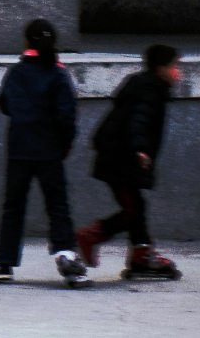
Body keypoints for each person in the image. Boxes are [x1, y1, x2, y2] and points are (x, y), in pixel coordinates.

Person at [0, 18, 89, 288]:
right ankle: (65, 253)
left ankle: (4, 264)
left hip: (19, 148)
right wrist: (65, 142)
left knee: (13, 207)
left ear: (26, 41)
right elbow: (67, 115)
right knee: (57, 206)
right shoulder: (57, 73)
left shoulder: (18, 72)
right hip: (49, 151)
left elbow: (5, 104)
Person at [75, 44, 184, 280]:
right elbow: (138, 121)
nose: (178, 72)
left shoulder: (148, 86)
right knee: (132, 209)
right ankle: (92, 235)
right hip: (121, 159)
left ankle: (141, 254)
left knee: (136, 207)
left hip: (119, 157)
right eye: (174, 66)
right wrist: (140, 149)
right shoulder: (149, 91)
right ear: (160, 68)